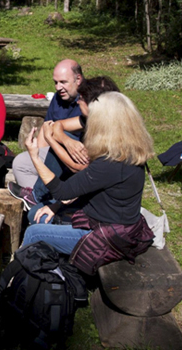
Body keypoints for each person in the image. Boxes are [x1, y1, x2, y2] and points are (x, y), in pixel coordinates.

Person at [21, 92, 155, 275]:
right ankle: (52, 269)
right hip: (119, 226)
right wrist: (57, 206)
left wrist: (35, 156)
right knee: (39, 215)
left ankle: (22, 281)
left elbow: (61, 191)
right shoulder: (128, 152)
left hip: (107, 237)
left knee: (33, 233)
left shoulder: (110, 163)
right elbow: (87, 187)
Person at [22, 77, 120, 222]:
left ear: (93, 104)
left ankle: (40, 199)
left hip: (99, 208)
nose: (78, 102)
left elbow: (79, 168)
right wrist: (66, 140)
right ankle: (39, 198)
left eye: (81, 98)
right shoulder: (89, 119)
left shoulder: (110, 136)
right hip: (81, 190)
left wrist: (50, 140)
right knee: (34, 213)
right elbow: (57, 126)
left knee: (38, 218)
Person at [10, 59, 83, 194]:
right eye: (55, 82)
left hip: (79, 156)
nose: (58, 87)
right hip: (55, 152)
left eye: (63, 82)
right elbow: (46, 127)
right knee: (20, 163)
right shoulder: (58, 98)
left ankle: (40, 197)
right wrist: (38, 155)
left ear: (78, 79)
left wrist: (59, 136)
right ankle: (40, 199)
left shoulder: (89, 100)